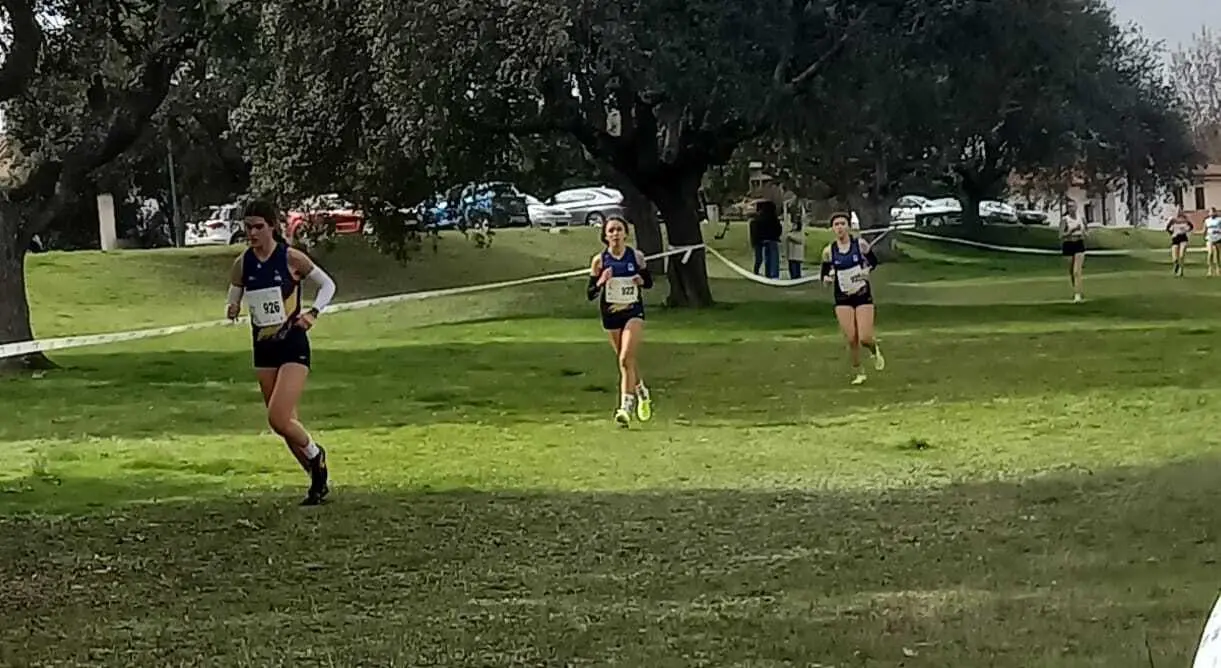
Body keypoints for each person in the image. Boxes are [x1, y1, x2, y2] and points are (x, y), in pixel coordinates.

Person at [226, 199, 338, 505]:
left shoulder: (291, 258)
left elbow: (328, 285)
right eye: (247, 227)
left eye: (258, 227)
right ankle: (317, 481)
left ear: (273, 226)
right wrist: (233, 306)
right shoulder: (243, 263)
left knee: (277, 418)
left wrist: (314, 313)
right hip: (263, 348)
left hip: (292, 344)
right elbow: (235, 291)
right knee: (288, 425)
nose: (252, 233)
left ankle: (317, 456)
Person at [587, 217, 654, 427]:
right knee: (627, 361)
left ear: (626, 233)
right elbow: (590, 293)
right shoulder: (599, 260)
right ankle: (641, 389)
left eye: (619, 230)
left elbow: (649, 282)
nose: (615, 234)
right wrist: (601, 281)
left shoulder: (637, 257)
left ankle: (625, 407)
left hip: (633, 312)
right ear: (605, 236)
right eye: (611, 231)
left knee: (625, 358)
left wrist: (641, 280)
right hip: (611, 315)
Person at [820, 212, 884, 385]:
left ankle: (873, 349)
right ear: (832, 228)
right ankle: (859, 371)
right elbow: (824, 275)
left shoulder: (860, 245)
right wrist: (827, 278)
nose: (839, 227)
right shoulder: (829, 252)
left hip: (862, 294)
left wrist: (866, 271)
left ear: (848, 226)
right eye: (836, 224)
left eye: (842, 223)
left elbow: (874, 262)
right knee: (851, 338)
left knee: (864, 337)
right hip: (842, 297)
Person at [1058, 202, 1087, 302]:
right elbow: (1060, 235)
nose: (1071, 208)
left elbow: (1086, 233)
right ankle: (1077, 289)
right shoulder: (1065, 220)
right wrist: (1071, 231)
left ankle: (1077, 294)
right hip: (1068, 245)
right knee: (1071, 272)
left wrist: (1083, 234)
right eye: (1069, 207)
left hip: (1079, 244)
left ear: (1076, 207)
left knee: (1077, 272)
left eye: (1073, 206)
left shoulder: (1081, 219)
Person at [749, 200, 783, 279]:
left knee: (766, 258)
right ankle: (773, 274)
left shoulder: (757, 219)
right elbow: (778, 228)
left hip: (763, 240)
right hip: (772, 239)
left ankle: (767, 273)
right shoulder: (773, 218)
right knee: (773, 258)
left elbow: (756, 231)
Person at [784, 214, 805, 279]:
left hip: (797, 255)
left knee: (796, 269)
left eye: (795, 225)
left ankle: (797, 278)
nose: (793, 226)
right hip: (791, 255)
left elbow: (801, 240)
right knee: (792, 269)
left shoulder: (800, 232)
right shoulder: (790, 232)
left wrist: (791, 238)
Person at [1204, 207, 1221, 277]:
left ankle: (1218, 269)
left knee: (1217, 254)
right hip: (1209, 238)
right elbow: (1205, 230)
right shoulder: (1207, 220)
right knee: (1210, 253)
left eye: (1213, 212)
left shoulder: (1219, 220)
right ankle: (1210, 269)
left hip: (1218, 238)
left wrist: (1218, 231)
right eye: (1210, 212)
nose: (1212, 213)